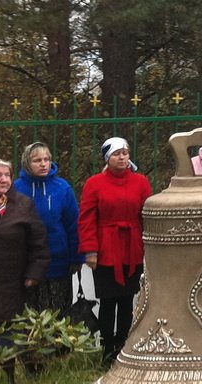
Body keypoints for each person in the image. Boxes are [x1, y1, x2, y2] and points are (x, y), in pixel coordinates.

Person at [79, 137, 153, 364]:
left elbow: (147, 215)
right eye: (116, 154)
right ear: (107, 158)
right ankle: (107, 349)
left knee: (126, 301)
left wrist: (148, 247)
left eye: (125, 153)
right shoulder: (94, 184)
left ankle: (122, 346)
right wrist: (90, 250)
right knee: (108, 301)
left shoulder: (141, 182)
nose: (122, 157)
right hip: (106, 250)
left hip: (131, 249)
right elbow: (87, 219)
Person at [0, 159, 50, 381]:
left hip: (12, 282)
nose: (3, 180)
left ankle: (9, 378)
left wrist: (34, 274)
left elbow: (39, 243)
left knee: (8, 331)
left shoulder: (23, 204)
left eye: (7, 175)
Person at [14, 142, 82, 314]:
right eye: (37, 160)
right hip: (26, 263)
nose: (43, 164)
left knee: (58, 314)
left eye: (47, 159)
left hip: (58, 262)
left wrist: (77, 258)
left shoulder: (62, 188)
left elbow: (73, 225)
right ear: (27, 163)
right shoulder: (16, 189)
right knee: (29, 316)